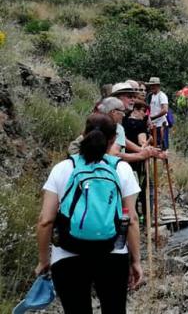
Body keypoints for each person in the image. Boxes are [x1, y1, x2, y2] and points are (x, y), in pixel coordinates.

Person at [36, 114, 142, 314]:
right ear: (112, 140)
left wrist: (43, 260)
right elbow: (132, 220)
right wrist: (135, 261)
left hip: (68, 254)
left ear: (83, 135)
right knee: (114, 309)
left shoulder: (63, 168)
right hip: (112, 253)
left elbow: (45, 221)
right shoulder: (122, 169)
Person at [145, 77, 169, 150]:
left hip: (161, 124)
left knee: (162, 146)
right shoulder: (150, 96)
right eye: (151, 85)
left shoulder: (162, 95)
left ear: (158, 86)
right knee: (153, 145)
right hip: (153, 125)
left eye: (154, 85)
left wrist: (153, 117)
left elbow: (165, 110)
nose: (152, 87)